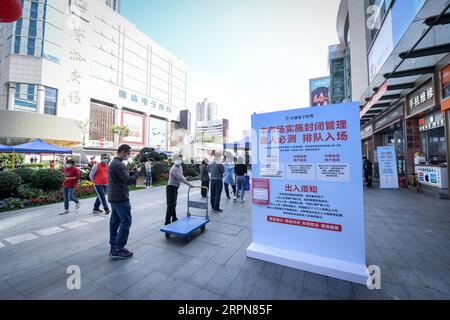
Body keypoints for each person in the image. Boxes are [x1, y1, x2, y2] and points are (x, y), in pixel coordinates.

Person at [108, 144, 141, 259]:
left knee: (115, 221)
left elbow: (122, 178)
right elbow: (127, 180)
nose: (128, 156)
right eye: (128, 154)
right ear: (122, 152)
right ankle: (119, 248)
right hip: (121, 197)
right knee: (126, 222)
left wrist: (131, 172)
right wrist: (137, 173)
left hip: (114, 197)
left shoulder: (114, 163)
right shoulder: (118, 165)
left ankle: (113, 246)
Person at [165, 153, 194, 227]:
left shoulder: (180, 166)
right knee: (170, 205)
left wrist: (187, 181)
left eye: (180, 159)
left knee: (174, 204)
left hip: (175, 187)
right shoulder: (173, 168)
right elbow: (180, 178)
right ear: (174, 160)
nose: (179, 160)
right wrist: (189, 184)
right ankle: (167, 221)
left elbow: (182, 176)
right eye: (178, 159)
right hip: (170, 187)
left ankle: (174, 218)